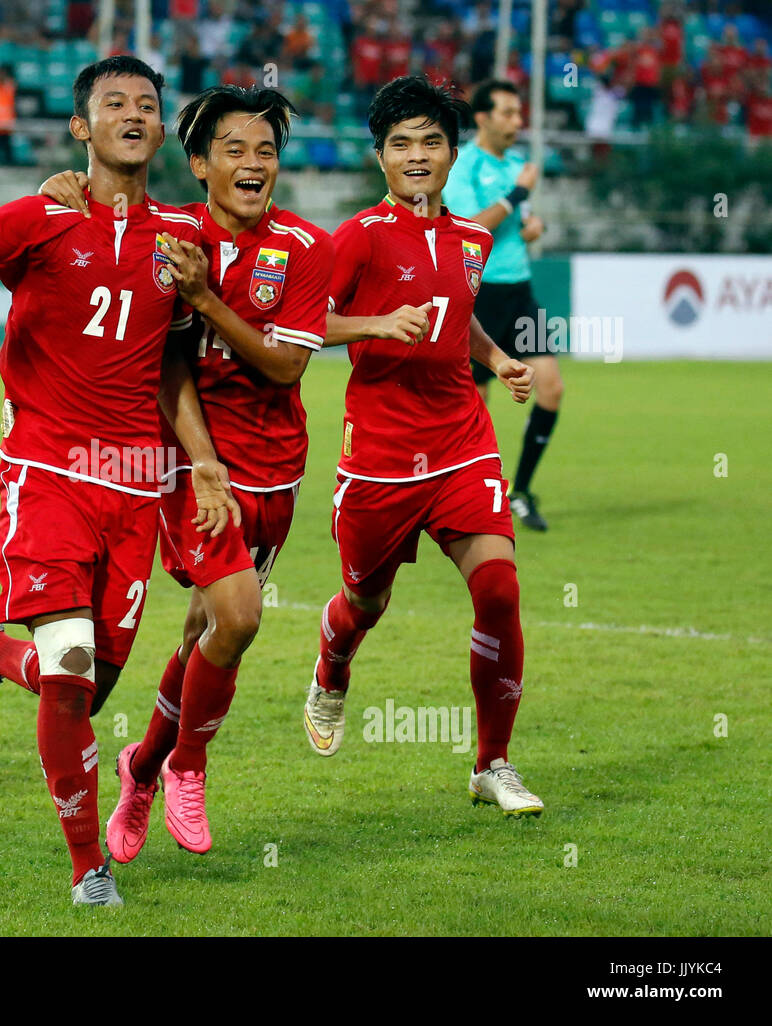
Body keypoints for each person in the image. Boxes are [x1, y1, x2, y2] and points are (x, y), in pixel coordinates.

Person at [0, 56, 238, 907]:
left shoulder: (184, 239)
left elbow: (173, 370)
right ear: (82, 129)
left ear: (163, 131)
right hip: (48, 470)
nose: (133, 113)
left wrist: (201, 458)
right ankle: (89, 870)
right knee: (73, 660)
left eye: (147, 105)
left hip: (134, 485)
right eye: (112, 103)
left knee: (86, 688)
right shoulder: (36, 219)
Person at [39, 85, 333, 862]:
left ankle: (142, 768)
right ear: (198, 162)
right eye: (233, 150)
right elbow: (168, 361)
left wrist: (205, 296)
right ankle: (189, 767)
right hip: (184, 466)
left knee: (208, 631)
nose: (252, 164)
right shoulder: (167, 234)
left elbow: (285, 364)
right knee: (237, 616)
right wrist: (57, 191)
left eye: (265, 151)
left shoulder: (305, 247)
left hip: (275, 473)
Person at [305, 75, 544, 819]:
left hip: (462, 437)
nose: (417, 155)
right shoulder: (359, 237)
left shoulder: (474, 238)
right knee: (363, 602)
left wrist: (497, 356)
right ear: (380, 156)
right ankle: (333, 661)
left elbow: (456, 312)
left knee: (499, 590)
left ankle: (491, 763)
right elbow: (302, 324)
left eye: (431, 142)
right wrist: (374, 326)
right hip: (379, 450)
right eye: (401, 143)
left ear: (451, 152)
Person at [443, 79, 563, 531]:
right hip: (480, 291)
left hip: (519, 289)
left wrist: (535, 226)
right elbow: (473, 225)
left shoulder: (516, 164)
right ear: (483, 118)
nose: (518, 122)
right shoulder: (465, 165)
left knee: (550, 388)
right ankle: (468, 493)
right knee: (477, 402)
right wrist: (516, 196)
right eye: (509, 113)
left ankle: (521, 491)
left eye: (518, 113)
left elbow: (524, 222)